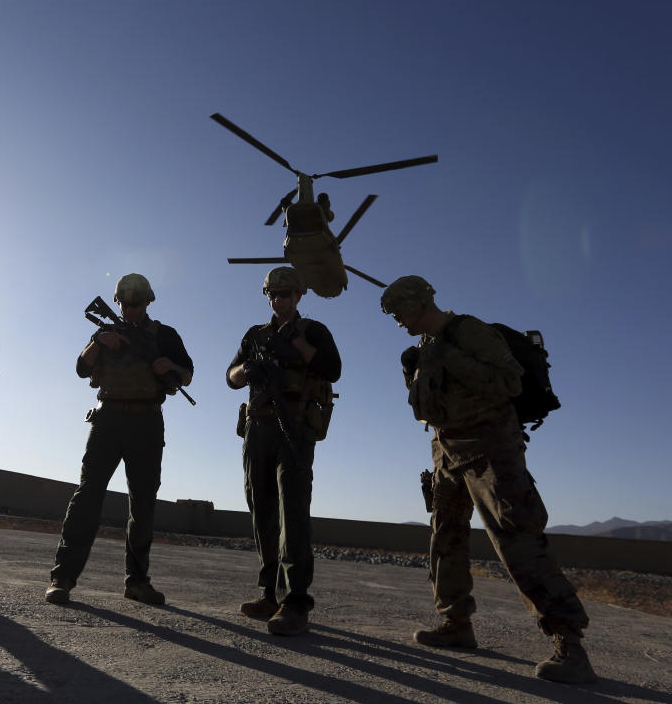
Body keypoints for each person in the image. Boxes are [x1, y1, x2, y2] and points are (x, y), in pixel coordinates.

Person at [381, 275, 596, 684]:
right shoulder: (425, 347)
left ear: (418, 303)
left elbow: (508, 381)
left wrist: (449, 355)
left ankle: (569, 644)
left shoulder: (467, 331)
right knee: (445, 538)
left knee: (516, 538)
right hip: (446, 450)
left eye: (399, 313)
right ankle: (455, 624)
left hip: (489, 449)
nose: (397, 322)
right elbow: (427, 406)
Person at [45, 273, 193, 606]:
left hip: (146, 420)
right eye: (124, 302)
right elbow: (82, 368)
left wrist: (169, 365)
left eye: (136, 302)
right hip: (108, 417)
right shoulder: (105, 331)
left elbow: (187, 375)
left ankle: (137, 582)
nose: (130, 308)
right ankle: (62, 578)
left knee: (143, 503)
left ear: (148, 301)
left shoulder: (164, 335)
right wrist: (99, 343)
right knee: (87, 496)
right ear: (118, 303)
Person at [226, 266, 340, 637]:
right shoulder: (255, 334)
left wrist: (295, 346)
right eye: (273, 295)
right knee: (261, 511)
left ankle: (295, 602)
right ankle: (269, 593)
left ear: (298, 296)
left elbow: (331, 369)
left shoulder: (313, 331)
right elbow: (230, 376)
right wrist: (250, 369)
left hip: (293, 428)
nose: (278, 300)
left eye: (285, 294)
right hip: (257, 428)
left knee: (292, 511)